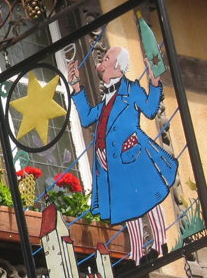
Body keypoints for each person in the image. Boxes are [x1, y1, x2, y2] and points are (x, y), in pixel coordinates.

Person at [67, 46, 177, 265]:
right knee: (127, 207)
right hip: (111, 163)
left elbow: (150, 109)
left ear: (117, 65)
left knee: (149, 198)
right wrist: (76, 86)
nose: (101, 63)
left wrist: (155, 81)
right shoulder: (106, 98)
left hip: (133, 154)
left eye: (106, 59)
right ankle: (137, 254)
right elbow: (87, 117)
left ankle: (161, 242)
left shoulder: (131, 90)